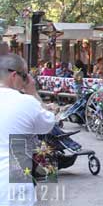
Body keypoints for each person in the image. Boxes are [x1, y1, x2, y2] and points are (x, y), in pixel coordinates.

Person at [0, 54, 56, 206]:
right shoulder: (26, 102)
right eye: (24, 76)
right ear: (14, 75)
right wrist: (33, 92)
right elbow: (48, 123)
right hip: (13, 186)